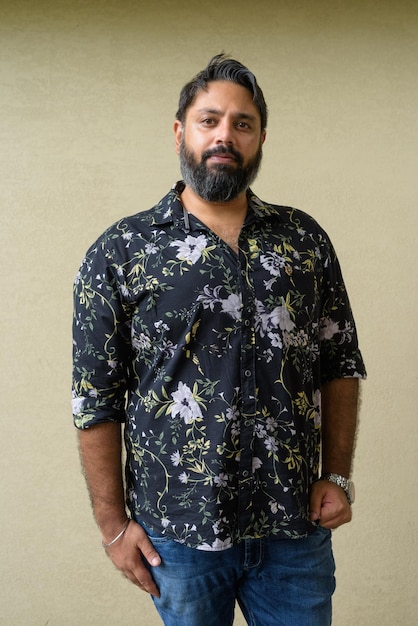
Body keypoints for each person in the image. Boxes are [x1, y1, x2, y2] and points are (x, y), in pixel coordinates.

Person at [72, 53, 366, 626]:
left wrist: (336, 474)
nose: (224, 136)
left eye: (242, 123)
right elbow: (94, 399)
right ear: (180, 131)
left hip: (293, 528)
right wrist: (113, 528)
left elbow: (341, 361)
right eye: (209, 120)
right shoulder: (122, 251)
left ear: (260, 139)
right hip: (180, 535)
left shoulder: (303, 240)